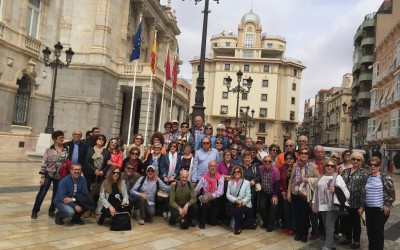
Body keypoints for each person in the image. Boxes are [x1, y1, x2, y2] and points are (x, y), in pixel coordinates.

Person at [312, 160, 350, 250]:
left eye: (332, 166)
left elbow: (346, 192)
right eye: (328, 165)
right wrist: (314, 203)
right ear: (324, 166)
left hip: (333, 205)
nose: (329, 167)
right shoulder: (321, 177)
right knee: (326, 225)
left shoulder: (338, 177)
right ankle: (332, 245)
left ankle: (327, 246)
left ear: (335, 167)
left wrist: (335, 190)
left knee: (329, 226)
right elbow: (316, 191)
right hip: (322, 205)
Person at [359, 156, 395, 250]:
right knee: (370, 231)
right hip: (369, 209)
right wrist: (362, 207)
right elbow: (363, 194)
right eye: (371, 165)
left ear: (379, 166)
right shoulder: (366, 177)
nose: (373, 167)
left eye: (375, 165)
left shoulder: (385, 177)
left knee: (378, 231)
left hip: (381, 209)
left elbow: (391, 192)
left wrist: (387, 205)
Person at [31, 130, 69, 219]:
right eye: (60, 138)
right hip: (49, 174)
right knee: (42, 193)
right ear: (54, 139)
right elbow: (44, 163)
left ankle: (51, 210)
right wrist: (42, 176)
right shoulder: (49, 150)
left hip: (60, 175)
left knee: (56, 194)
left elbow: (67, 160)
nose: (62, 139)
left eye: (63, 137)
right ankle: (35, 211)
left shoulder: (66, 149)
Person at [287, 146, 319, 243]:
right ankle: (298, 232)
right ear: (299, 155)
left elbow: (318, 180)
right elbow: (291, 180)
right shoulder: (295, 165)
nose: (304, 155)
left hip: (306, 194)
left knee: (305, 215)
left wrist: (308, 180)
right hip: (295, 193)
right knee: (296, 214)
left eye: (306, 153)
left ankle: (304, 233)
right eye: (302, 153)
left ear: (308, 155)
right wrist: (289, 193)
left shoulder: (313, 166)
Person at [340, 152, 369, 249]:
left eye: (358, 160)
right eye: (354, 159)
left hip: (356, 202)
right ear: (351, 160)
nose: (355, 161)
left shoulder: (364, 173)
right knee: (346, 221)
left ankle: (356, 241)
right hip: (345, 202)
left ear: (361, 161)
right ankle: (348, 238)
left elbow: (365, 190)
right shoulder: (345, 171)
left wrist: (362, 206)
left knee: (355, 223)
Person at [85, 134, 111, 218]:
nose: (101, 140)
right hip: (90, 173)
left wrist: (102, 171)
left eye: (103, 139)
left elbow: (108, 163)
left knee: (96, 192)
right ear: (96, 140)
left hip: (101, 175)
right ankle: (87, 209)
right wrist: (94, 170)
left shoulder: (106, 151)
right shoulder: (90, 149)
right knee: (88, 192)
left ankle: (93, 209)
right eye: (99, 139)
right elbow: (87, 161)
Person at [195, 160, 224, 229]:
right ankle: (202, 222)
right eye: (211, 166)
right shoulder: (204, 177)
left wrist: (210, 196)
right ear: (208, 167)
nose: (212, 168)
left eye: (214, 166)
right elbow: (197, 190)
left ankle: (211, 218)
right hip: (205, 199)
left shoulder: (220, 178)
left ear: (216, 168)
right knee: (205, 203)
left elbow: (220, 191)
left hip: (215, 199)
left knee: (213, 223)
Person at [226, 166, 253, 235]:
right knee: (234, 209)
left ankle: (238, 227)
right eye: (235, 172)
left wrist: (242, 201)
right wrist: (236, 200)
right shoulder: (230, 182)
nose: (236, 173)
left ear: (241, 173)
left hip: (245, 204)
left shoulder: (246, 183)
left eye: (238, 172)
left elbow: (248, 196)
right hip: (234, 202)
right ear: (233, 173)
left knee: (236, 210)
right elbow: (227, 195)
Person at [258, 155, 281, 232]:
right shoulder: (260, 168)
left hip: (273, 193)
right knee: (261, 207)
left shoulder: (275, 171)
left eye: (269, 161)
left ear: (272, 162)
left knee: (273, 208)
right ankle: (266, 222)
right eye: (265, 161)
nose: (267, 163)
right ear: (263, 162)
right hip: (264, 192)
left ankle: (270, 225)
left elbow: (277, 184)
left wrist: (275, 196)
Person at [280, 151, 296, 235]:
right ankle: (287, 226)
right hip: (285, 192)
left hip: (294, 193)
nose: (289, 160)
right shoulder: (283, 167)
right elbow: (280, 180)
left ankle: (293, 228)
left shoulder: (296, 167)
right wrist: (282, 191)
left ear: (294, 159)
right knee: (286, 211)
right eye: (287, 158)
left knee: (293, 211)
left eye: (291, 158)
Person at [241, 151, 260, 222]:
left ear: (251, 159)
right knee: (243, 205)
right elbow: (237, 177)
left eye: (248, 158)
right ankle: (243, 221)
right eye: (246, 158)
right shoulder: (240, 167)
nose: (247, 159)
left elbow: (258, 177)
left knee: (250, 205)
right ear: (243, 158)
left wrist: (254, 181)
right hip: (242, 190)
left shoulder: (254, 167)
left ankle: (249, 221)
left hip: (252, 190)